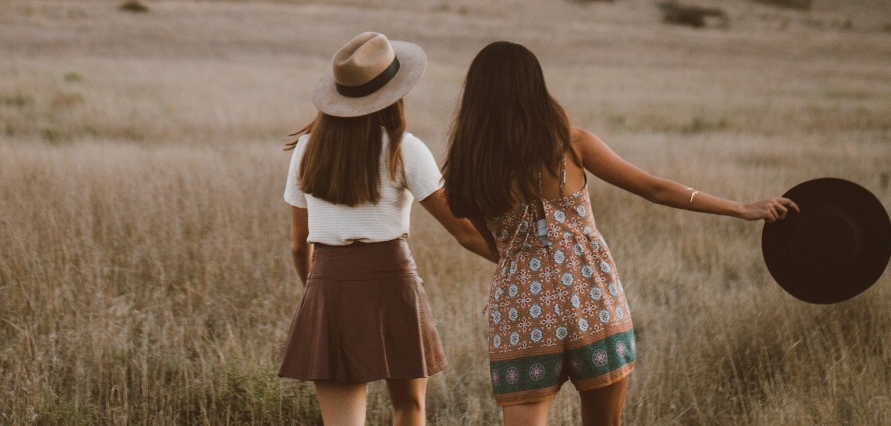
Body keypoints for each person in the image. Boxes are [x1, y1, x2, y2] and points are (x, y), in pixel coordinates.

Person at [440, 41, 799, 426]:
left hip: (522, 306)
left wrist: (531, 266)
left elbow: (496, 246)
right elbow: (653, 188)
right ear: (534, 86)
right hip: (590, 293)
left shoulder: (466, 167)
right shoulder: (571, 143)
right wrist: (740, 208)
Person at [277, 32, 496, 426]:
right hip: (394, 281)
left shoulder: (307, 150)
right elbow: (464, 232)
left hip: (329, 282)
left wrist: (316, 288)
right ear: (395, 93)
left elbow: (297, 244)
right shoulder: (404, 148)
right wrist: (515, 259)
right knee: (409, 408)